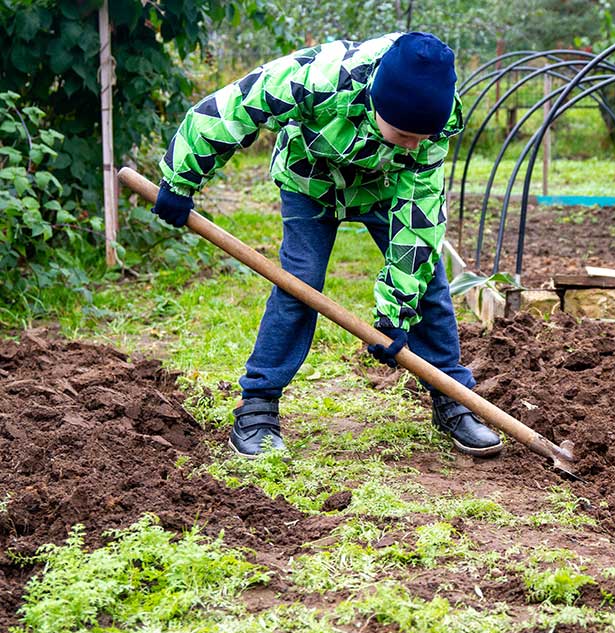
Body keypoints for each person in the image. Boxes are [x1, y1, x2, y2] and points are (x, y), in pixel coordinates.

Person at [151, 32, 501, 459]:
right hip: (310, 182)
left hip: (386, 189)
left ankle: (453, 398)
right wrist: (180, 180)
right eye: (405, 133)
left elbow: (419, 222)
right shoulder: (316, 79)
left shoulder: (435, 123)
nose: (415, 144)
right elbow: (232, 109)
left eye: (423, 137)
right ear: (377, 103)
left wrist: (395, 312)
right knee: (300, 283)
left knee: (429, 286)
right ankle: (258, 405)